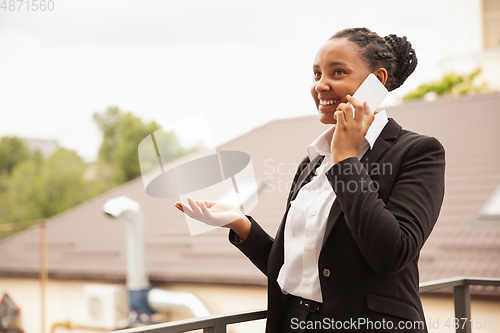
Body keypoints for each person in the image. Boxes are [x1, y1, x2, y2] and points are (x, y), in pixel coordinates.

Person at [175, 27, 445, 333]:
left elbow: (390, 254)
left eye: (338, 72)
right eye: (316, 74)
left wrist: (346, 160)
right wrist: (241, 225)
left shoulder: (418, 152)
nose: (321, 85)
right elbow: (300, 270)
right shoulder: (313, 160)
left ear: (377, 82)